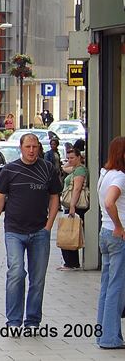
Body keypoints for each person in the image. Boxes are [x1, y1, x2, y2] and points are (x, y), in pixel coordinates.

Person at [0, 133, 61, 330]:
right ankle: (14, 321)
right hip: (14, 231)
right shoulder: (10, 170)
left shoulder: (48, 169)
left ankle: (33, 321)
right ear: (21, 148)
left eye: (35, 146)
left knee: (37, 279)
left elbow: (54, 197)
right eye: (28, 147)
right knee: (16, 272)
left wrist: (49, 225)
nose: (31, 150)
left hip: (39, 231)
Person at [96, 137, 125, 350]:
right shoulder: (121, 177)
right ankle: (110, 338)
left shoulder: (105, 174)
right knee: (117, 287)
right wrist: (119, 226)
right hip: (117, 236)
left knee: (106, 286)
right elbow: (109, 202)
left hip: (104, 234)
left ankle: (102, 334)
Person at [59, 146, 88, 271]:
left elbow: (76, 189)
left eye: (72, 158)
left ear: (79, 158)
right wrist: (70, 162)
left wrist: (72, 206)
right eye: (68, 158)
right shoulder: (76, 169)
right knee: (70, 231)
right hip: (73, 206)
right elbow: (64, 168)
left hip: (75, 206)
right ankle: (72, 262)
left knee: (70, 232)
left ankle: (71, 262)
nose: (69, 160)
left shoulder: (80, 171)